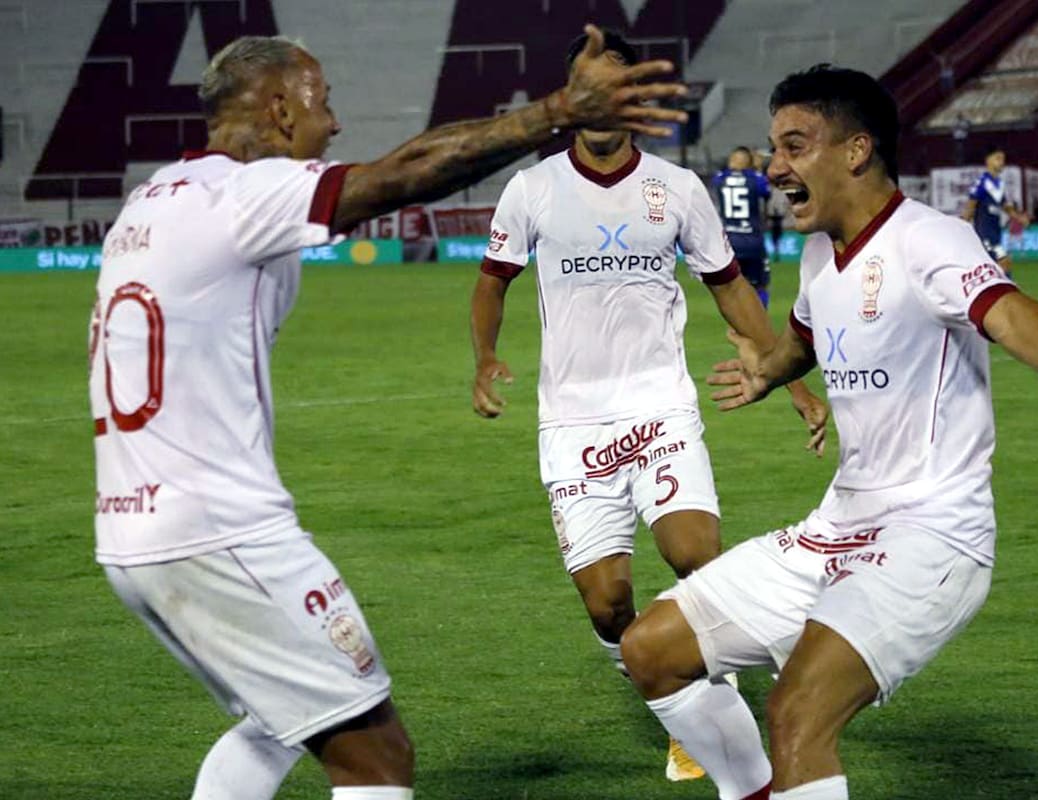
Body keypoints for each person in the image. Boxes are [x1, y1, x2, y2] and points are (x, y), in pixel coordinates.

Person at [89, 28, 690, 800]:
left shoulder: (153, 201)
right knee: (376, 754)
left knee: (278, 720)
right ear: (279, 109)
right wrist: (556, 112)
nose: (333, 124)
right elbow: (401, 177)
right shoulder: (241, 194)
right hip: (220, 528)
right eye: (323, 103)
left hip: (131, 533)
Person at [618, 65, 1038, 800]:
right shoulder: (818, 255)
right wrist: (768, 373)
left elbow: (1002, 310)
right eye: (773, 148)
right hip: (837, 528)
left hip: (931, 537)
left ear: (856, 150)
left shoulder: (929, 239)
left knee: (798, 712)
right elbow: (805, 337)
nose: (775, 167)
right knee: (650, 650)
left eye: (795, 146)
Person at [469, 29, 827, 790]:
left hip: (661, 408)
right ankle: (677, 700)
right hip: (572, 422)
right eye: (586, 87)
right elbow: (493, 280)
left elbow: (730, 287)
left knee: (695, 555)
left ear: (633, 100)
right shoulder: (532, 189)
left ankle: (712, 717)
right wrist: (485, 357)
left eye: (613, 86)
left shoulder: (678, 188)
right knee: (608, 604)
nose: (599, 102)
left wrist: (789, 379)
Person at [713, 146, 773, 305]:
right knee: (759, 285)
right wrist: (757, 169)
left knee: (732, 287)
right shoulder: (756, 179)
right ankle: (759, 318)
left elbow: (718, 179)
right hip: (752, 241)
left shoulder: (720, 179)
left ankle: (735, 321)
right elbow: (766, 192)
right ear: (749, 163)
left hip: (729, 243)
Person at [961, 144, 1029, 275]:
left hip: (996, 233)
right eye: (998, 158)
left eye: (1003, 159)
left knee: (998, 266)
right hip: (984, 233)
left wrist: (1019, 218)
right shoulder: (982, 182)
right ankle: (1008, 286)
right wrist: (963, 226)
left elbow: (1006, 206)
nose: (1002, 162)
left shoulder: (999, 184)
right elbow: (971, 205)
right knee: (1003, 262)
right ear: (988, 160)